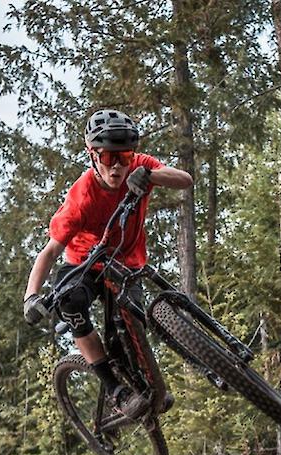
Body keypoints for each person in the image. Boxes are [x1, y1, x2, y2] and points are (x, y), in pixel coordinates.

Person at [23, 109, 194, 418]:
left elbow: (185, 180)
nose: (117, 166)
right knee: (71, 302)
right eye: (107, 157)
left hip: (126, 263)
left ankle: (145, 383)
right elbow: (49, 252)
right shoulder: (82, 197)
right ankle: (115, 389)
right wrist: (31, 297)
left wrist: (150, 175)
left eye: (124, 156)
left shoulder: (139, 168)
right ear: (93, 155)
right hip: (84, 264)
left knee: (128, 324)